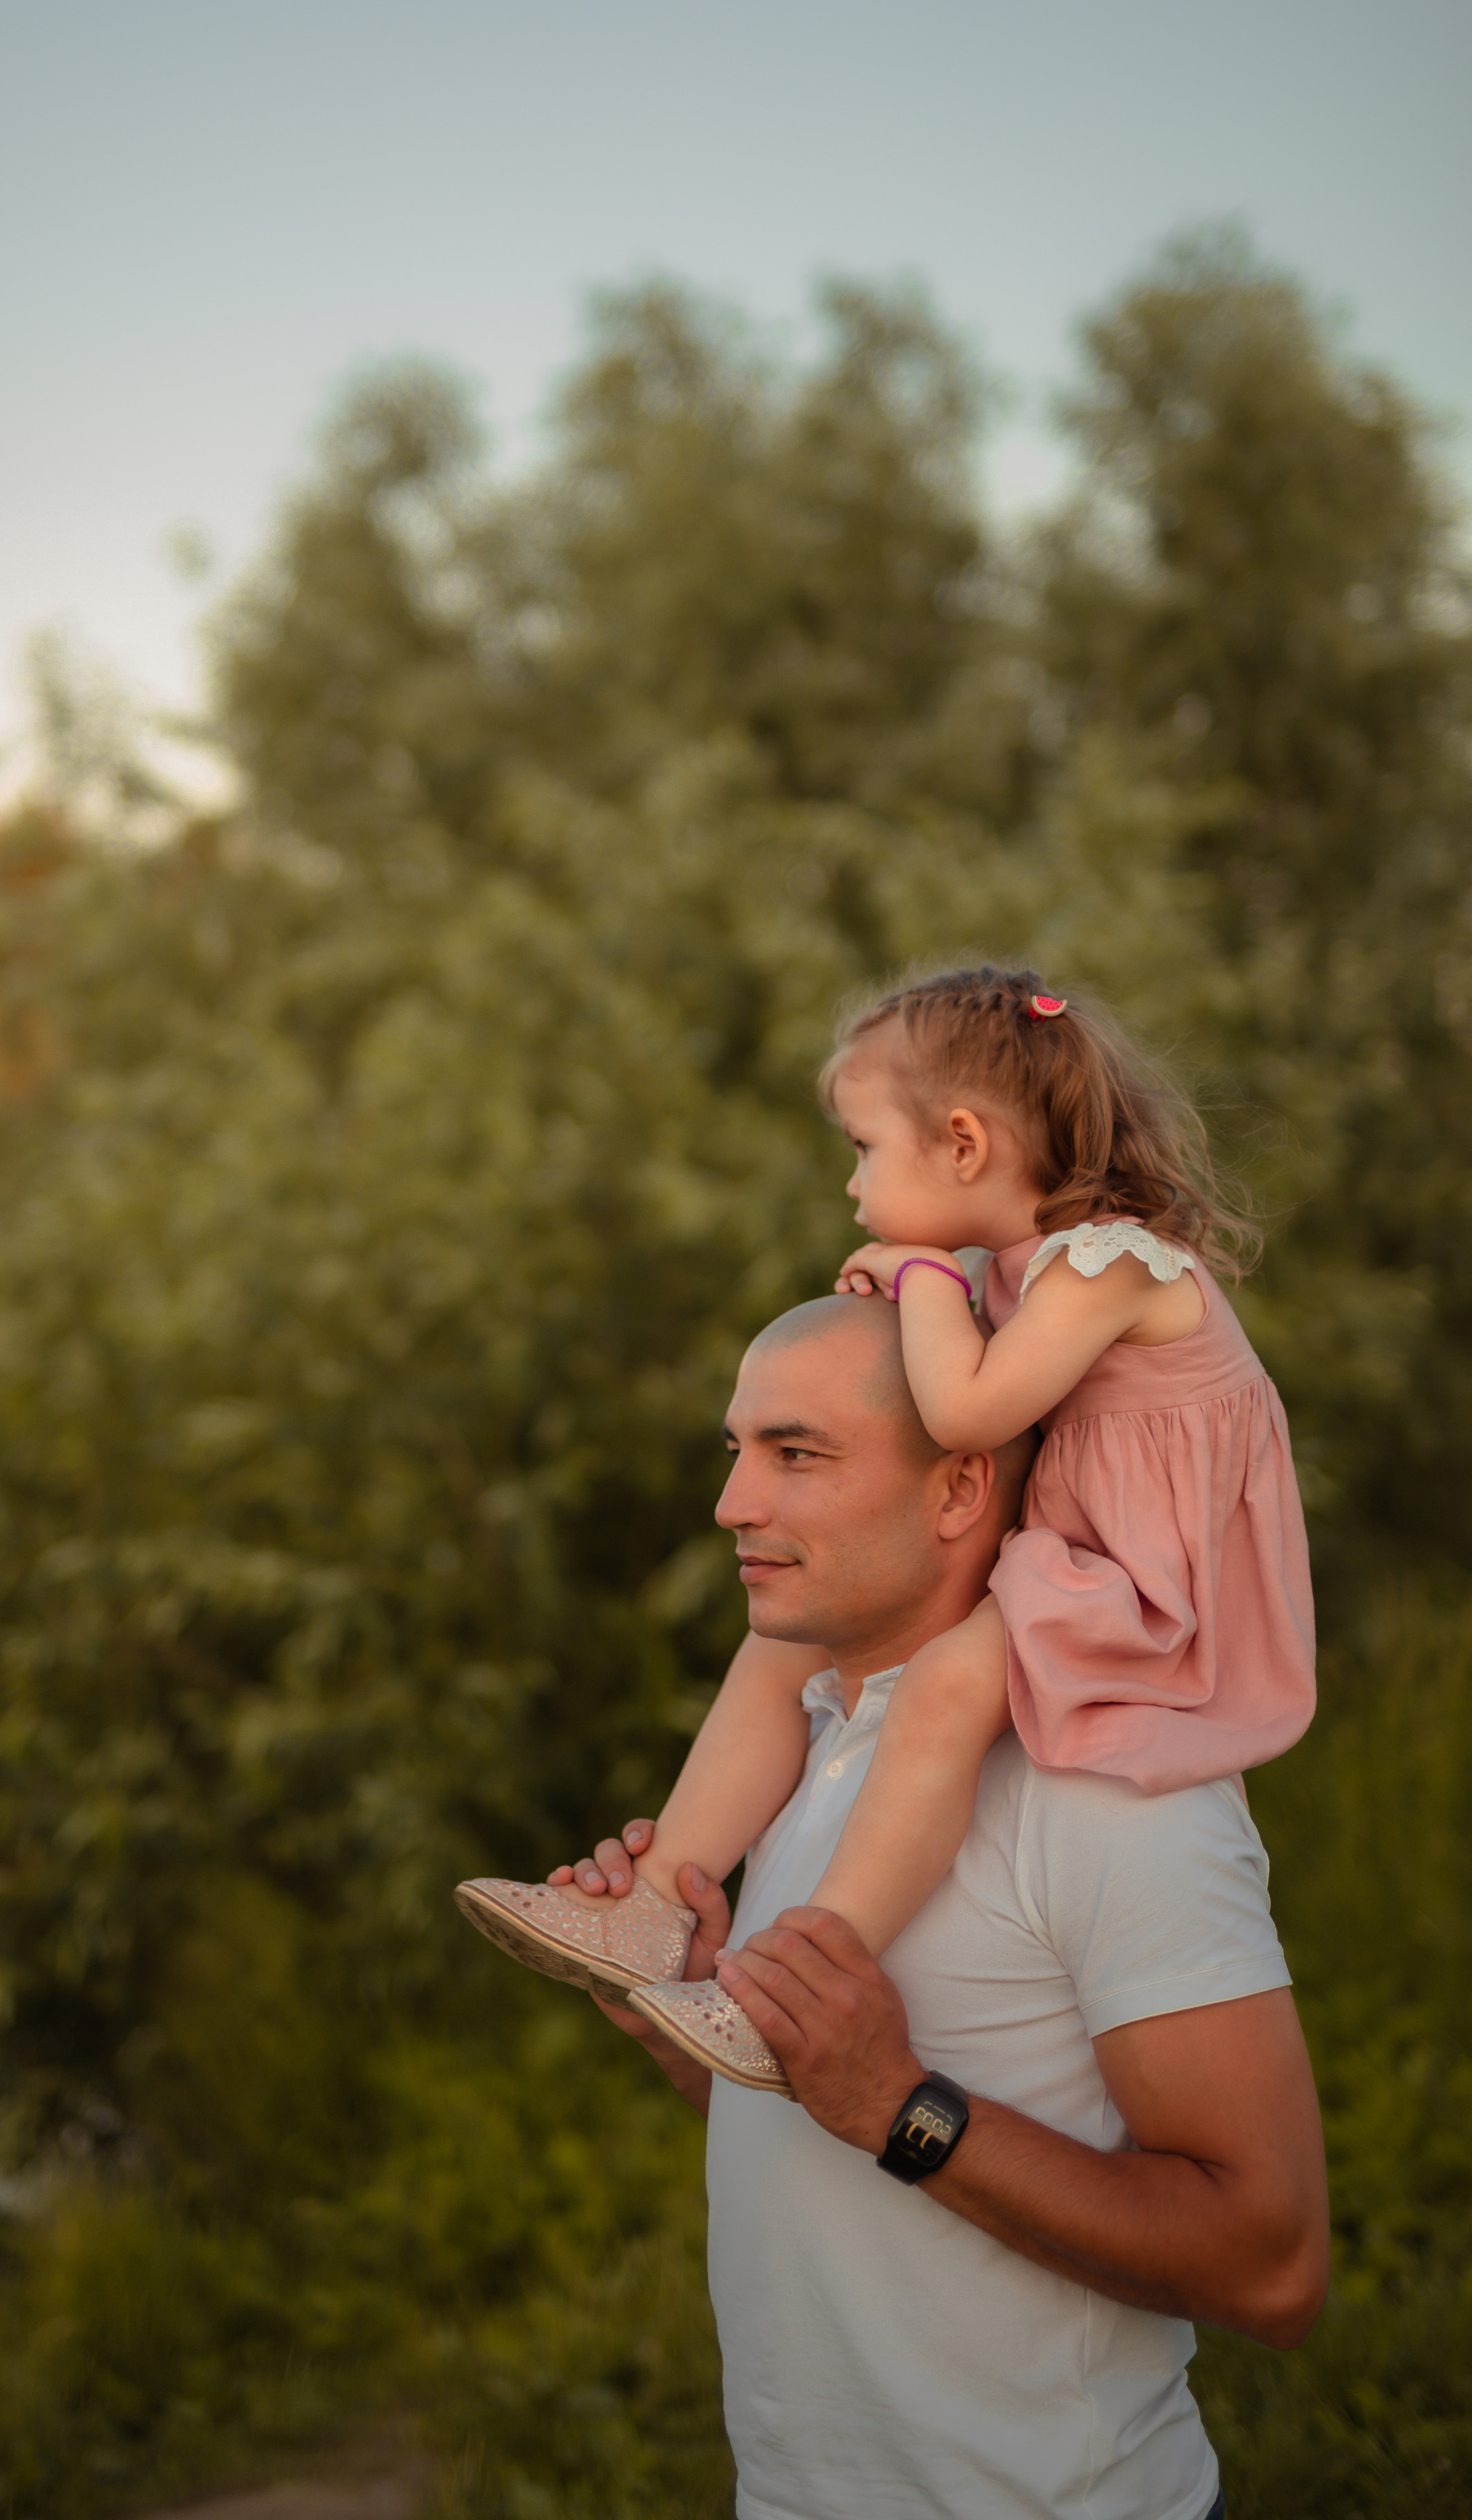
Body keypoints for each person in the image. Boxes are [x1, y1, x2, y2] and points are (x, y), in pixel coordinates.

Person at [456, 966, 1316, 2090]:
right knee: (789, 1639)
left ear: (963, 1143)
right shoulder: (1017, 1273)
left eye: (863, 1148)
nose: (853, 1185)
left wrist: (918, 1275)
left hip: (1151, 1589)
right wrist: (931, 1285)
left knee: (953, 1686)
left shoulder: (1110, 1262)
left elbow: (965, 1413)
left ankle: (803, 1976)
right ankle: (657, 1906)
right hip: (1067, 1559)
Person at [581, 1294, 1326, 2519]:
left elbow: (1276, 2264)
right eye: (737, 1453)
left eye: (797, 1455)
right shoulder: (808, 1748)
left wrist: (899, 2105)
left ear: (959, 1493)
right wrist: (692, 2029)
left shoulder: (1109, 1795)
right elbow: (821, 2132)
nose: (733, 1506)